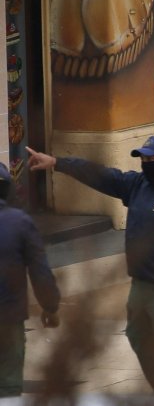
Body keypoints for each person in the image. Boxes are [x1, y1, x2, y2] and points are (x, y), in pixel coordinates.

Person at [26, 136, 154, 394]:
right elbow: (101, 176)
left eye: (152, 158)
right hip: (140, 283)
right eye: (143, 158)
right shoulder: (138, 184)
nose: (146, 163)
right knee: (138, 337)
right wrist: (57, 163)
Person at [0, 163, 60, 398]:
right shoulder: (20, 223)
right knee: (8, 387)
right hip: (9, 316)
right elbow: (40, 271)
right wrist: (50, 307)